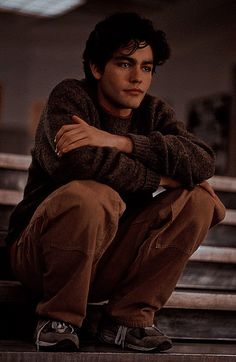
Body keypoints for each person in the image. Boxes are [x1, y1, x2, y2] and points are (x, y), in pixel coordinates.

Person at [6, 12, 225, 353]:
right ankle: (58, 317)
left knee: (198, 200)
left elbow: (202, 161)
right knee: (92, 194)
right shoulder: (70, 97)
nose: (138, 77)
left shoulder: (154, 112)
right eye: (125, 64)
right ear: (96, 68)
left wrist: (121, 142)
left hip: (108, 257)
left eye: (147, 67)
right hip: (41, 257)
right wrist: (161, 177)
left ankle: (127, 319)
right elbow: (77, 161)